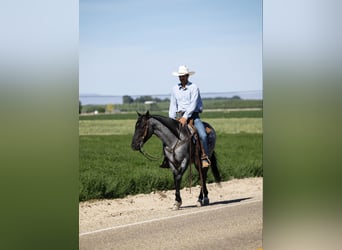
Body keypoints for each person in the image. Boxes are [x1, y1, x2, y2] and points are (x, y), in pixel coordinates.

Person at [160, 65, 211, 168]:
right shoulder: (175, 89)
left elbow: (193, 104)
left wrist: (185, 117)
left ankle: (204, 157)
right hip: (178, 116)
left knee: (203, 135)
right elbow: (173, 105)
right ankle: (166, 158)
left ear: (187, 76)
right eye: (180, 76)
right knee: (166, 135)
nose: (181, 77)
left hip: (193, 116)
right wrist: (172, 119)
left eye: (183, 76)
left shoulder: (194, 87)